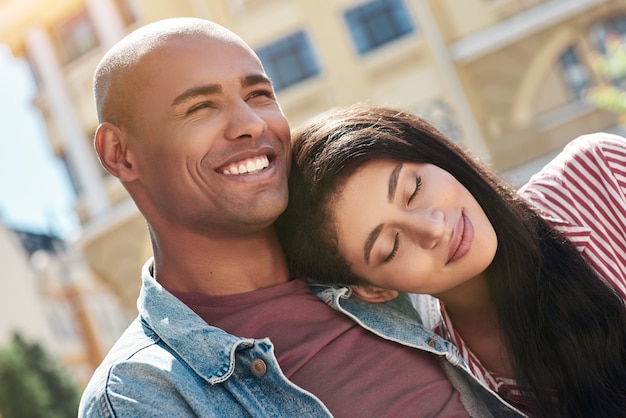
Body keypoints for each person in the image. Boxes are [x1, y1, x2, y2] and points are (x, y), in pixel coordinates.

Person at [78, 18, 525, 417]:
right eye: (201, 108)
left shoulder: (365, 258)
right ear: (120, 153)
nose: (251, 123)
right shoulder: (138, 394)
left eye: (258, 94)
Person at [278, 103, 626, 418]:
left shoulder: (600, 173)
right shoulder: (458, 388)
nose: (433, 229)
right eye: (392, 245)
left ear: (433, 155)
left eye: (413, 190)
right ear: (373, 290)